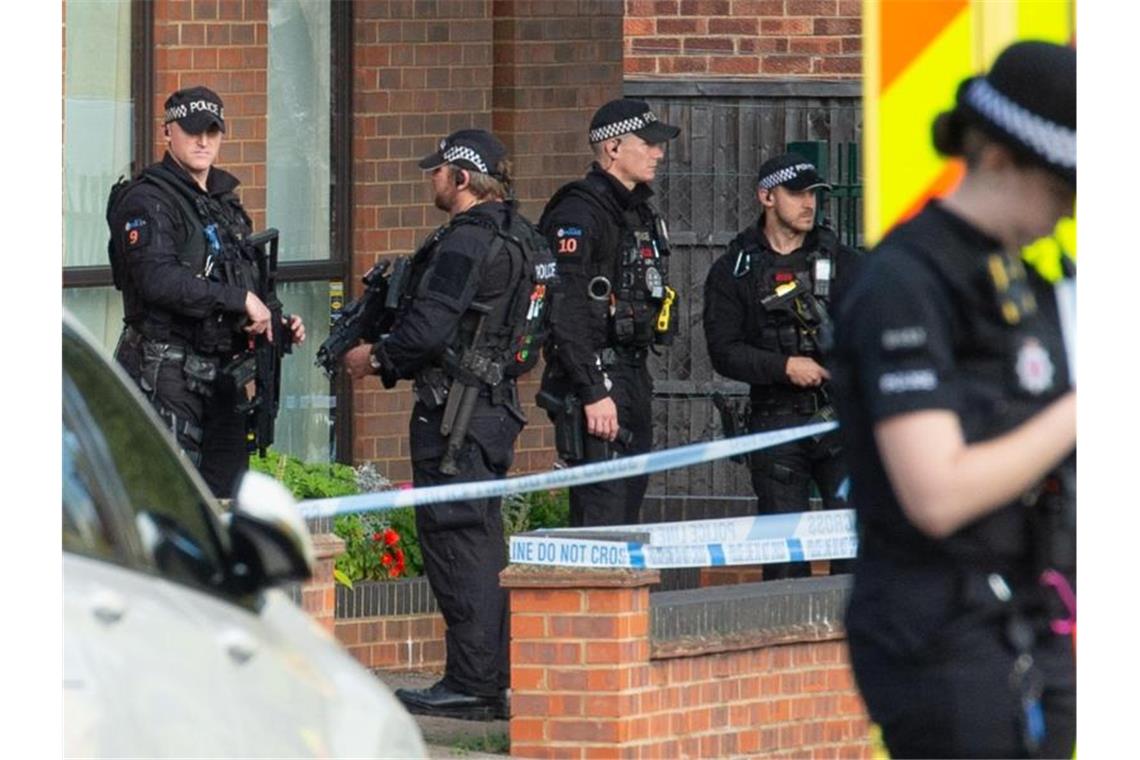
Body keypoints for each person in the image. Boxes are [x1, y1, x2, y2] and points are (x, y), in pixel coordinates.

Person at [829, 41, 1076, 758]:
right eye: (1060, 186)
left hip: (1026, 612)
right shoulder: (906, 283)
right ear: (997, 157)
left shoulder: (1022, 280)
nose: (1066, 209)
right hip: (939, 631)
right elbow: (935, 491)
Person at [343, 129, 549, 721]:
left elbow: (430, 326)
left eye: (439, 171)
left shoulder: (467, 242)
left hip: (455, 414)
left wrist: (376, 357)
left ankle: (473, 682)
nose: (431, 179)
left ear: (463, 178)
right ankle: (491, 673)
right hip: (494, 407)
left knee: (456, 542)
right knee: (482, 541)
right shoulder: (523, 235)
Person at [108, 86, 305, 498]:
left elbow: (244, 279)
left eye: (212, 132)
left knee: (226, 503)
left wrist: (274, 321)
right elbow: (156, 279)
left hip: (220, 378)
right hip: (165, 375)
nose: (203, 141)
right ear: (168, 133)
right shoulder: (147, 200)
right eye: (193, 130)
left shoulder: (223, 203)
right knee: (172, 503)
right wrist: (238, 301)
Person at [704, 153, 859, 580]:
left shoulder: (844, 262)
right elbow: (723, 350)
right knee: (785, 555)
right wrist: (784, 365)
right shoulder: (735, 270)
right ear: (766, 197)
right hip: (776, 421)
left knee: (853, 549)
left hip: (840, 421)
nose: (808, 203)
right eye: (797, 193)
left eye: (814, 194)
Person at [538, 98, 680, 527]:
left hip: (633, 374)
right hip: (599, 379)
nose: (659, 153)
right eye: (649, 143)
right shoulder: (579, 212)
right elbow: (565, 310)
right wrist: (592, 390)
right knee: (602, 513)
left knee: (627, 508)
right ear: (613, 148)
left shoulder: (637, 212)